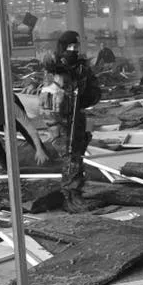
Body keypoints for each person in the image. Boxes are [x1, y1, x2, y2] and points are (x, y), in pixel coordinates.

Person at [44, 31, 101, 211]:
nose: (74, 50)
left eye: (76, 47)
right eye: (70, 47)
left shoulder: (81, 68)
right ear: (63, 47)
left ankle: (75, 194)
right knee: (70, 157)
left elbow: (93, 92)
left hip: (76, 116)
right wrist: (64, 65)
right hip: (59, 120)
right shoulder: (54, 65)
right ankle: (70, 196)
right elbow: (49, 69)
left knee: (76, 156)